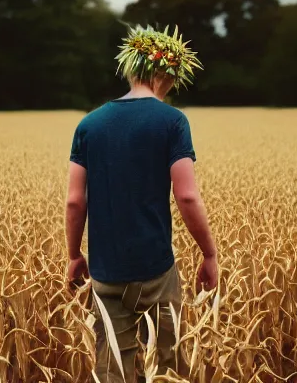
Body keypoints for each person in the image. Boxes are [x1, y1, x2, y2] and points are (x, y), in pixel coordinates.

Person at [65, 25, 218, 382]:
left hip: (105, 271)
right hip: (156, 271)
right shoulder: (172, 122)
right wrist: (209, 254)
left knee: (113, 369)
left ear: (131, 67)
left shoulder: (89, 125)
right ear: (169, 75)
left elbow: (75, 201)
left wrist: (74, 255)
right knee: (169, 366)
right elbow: (187, 195)